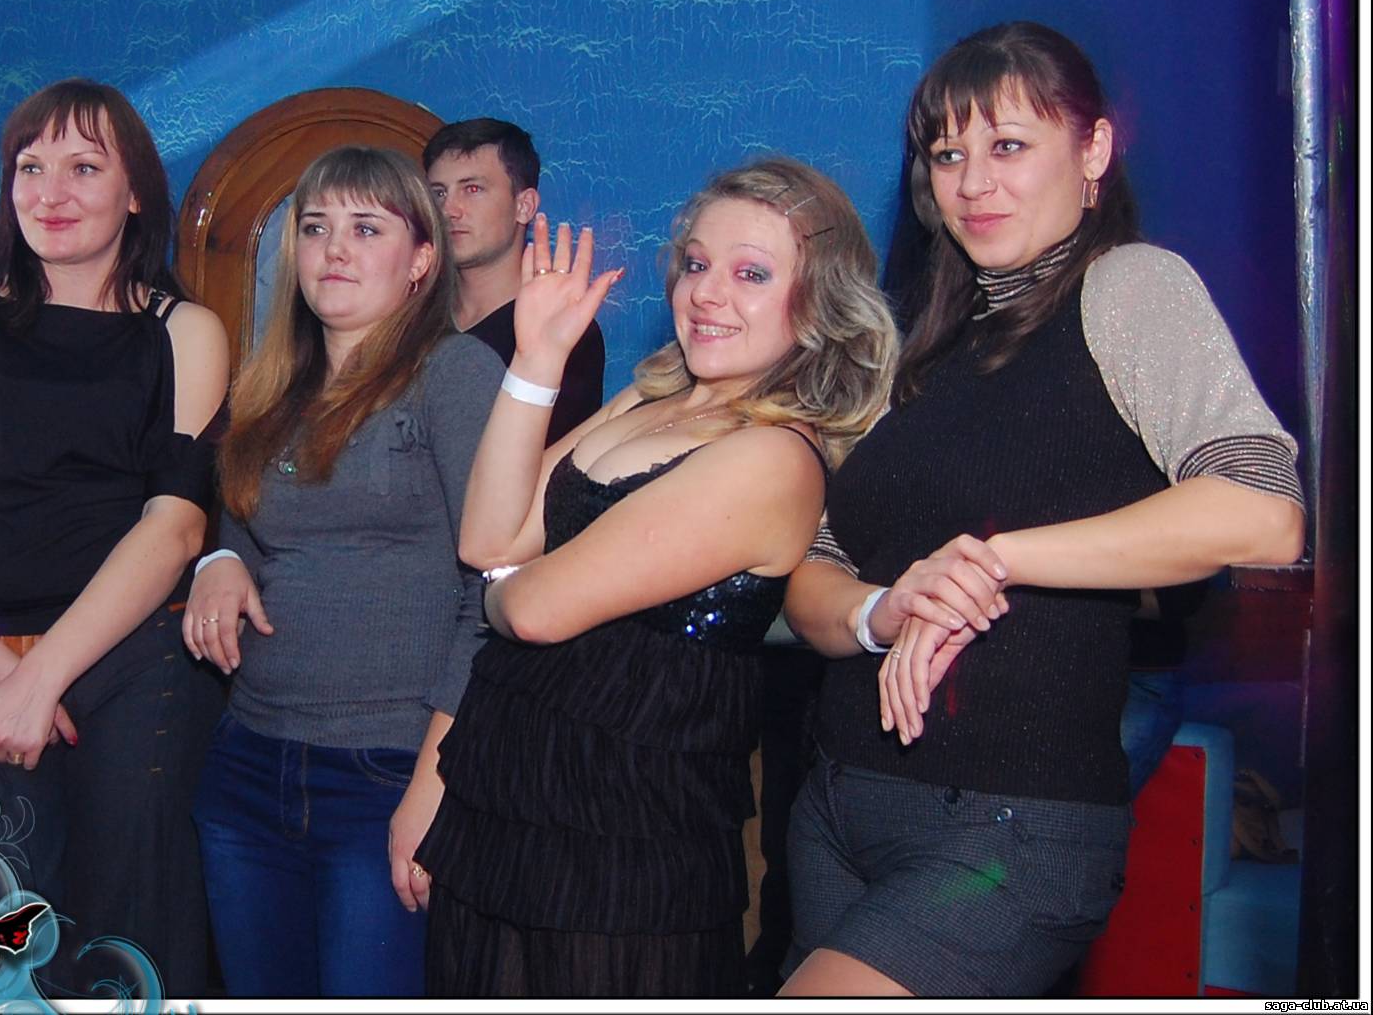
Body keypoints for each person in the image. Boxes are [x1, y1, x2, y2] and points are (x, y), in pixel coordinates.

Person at [779, 21, 1305, 997]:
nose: (973, 182)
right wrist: (884, 607)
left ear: (1093, 150)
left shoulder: (1128, 286)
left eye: (1010, 145)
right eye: (949, 155)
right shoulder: (922, 339)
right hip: (838, 810)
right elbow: (813, 569)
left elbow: (1261, 511)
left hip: (1005, 830)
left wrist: (992, 557)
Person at [416, 156, 900, 996]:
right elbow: (489, 535)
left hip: (619, 833)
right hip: (512, 793)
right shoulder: (646, 399)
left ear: (820, 301)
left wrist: (499, 591)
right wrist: (537, 358)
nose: (707, 292)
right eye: (697, 263)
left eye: (752, 273)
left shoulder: (774, 457)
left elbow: (533, 607)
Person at [0, 79, 229, 997]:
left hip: (133, 670)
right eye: (31, 167)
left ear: (135, 191)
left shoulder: (185, 331)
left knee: (132, 951)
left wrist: (40, 678)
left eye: (83, 168)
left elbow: (177, 524)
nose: (51, 192)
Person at [183, 146, 504, 998]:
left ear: (421, 259)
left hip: (385, 770)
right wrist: (222, 556)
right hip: (247, 761)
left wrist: (433, 782)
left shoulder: (455, 373)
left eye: (367, 229)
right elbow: (247, 514)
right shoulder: (272, 383)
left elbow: (493, 589)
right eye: (317, 227)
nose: (334, 249)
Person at [423, 117, 605, 443]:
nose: (449, 209)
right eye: (438, 193)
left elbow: (547, 461)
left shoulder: (561, 330)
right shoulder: (410, 320)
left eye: (472, 189)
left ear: (524, 206)